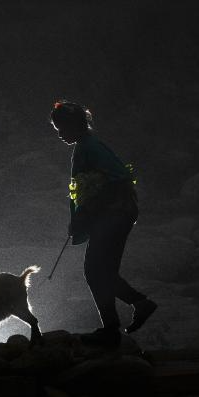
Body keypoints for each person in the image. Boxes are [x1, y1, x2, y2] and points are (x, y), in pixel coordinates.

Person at [51, 100, 156, 348]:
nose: (60, 134)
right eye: (57, 130)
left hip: (114, 216)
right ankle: (126, 315)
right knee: (101, 271)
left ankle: (116, 324)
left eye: (62, 129)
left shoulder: (90, 147)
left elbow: (116, 179)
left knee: (94, 269)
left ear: (75, 124)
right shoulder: (87, 146)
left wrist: (85, 213)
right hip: (116, 215)